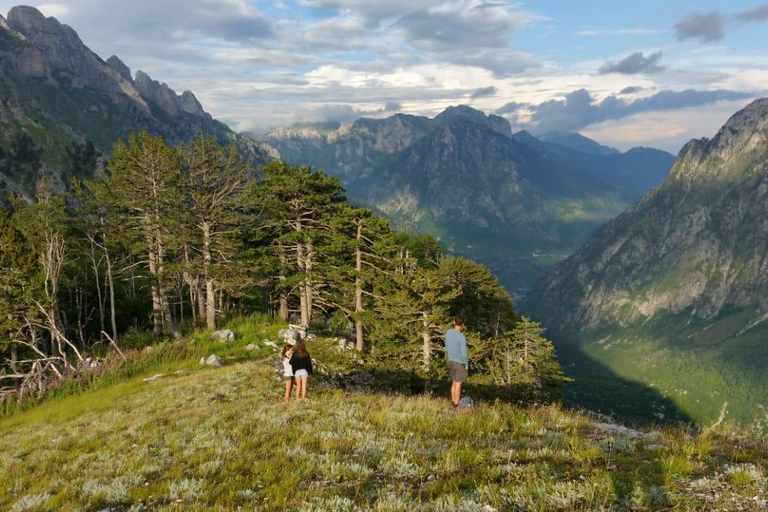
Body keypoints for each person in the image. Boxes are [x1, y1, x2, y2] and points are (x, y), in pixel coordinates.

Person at [445, 314, 468, 407]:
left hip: (451, 361)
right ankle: (456, 404)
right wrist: (466, 365)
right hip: (459, 363)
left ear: (454, 322)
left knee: (454, 382)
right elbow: (464, 353)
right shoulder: (461, 337)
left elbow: (446, 344)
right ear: (463, 324)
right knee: (458, 384)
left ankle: (453, 402)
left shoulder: (448, 332)